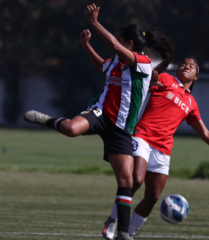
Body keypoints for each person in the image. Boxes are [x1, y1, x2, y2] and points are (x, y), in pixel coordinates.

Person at [23, 4, 173, 240]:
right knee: (71, 129)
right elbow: (101, 66)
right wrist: (86, 45)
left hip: (122, 129)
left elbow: (113, 44)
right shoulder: (117, 60)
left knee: (127, 181)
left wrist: (94, 23)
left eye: (120, 39)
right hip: (100, 113)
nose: (116, 42)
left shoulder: (143, 62)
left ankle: (123, 232)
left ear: (129, 44)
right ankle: (48, 121)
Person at [102, 57, 209, 240]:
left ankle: (128, 234)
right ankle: (113, 220)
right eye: (183, 63)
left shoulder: (191, 103)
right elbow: (139, 89)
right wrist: (150, 83)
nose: (186, 66)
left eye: (192, 65)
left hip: (163, 149)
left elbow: (205, 133)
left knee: (153, 197)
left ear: (196, 76)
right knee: (136, 180)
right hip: (143, 136)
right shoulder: (165, 79)